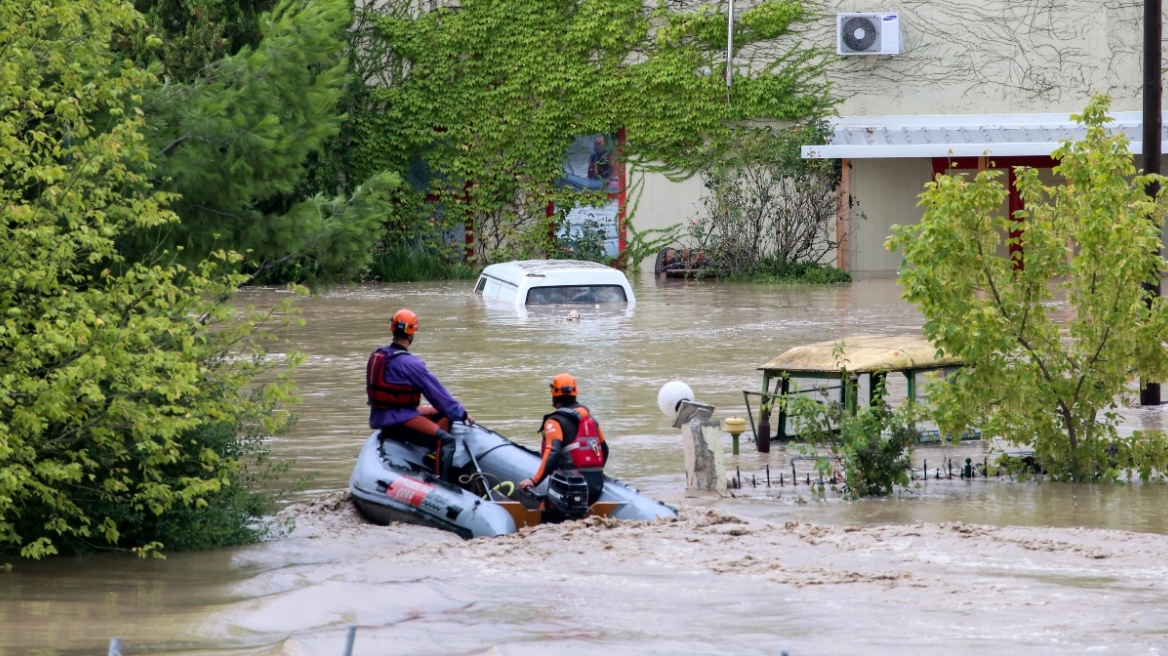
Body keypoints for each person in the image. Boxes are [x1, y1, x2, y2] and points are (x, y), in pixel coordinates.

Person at [367, 308, 473, 482]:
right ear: (412, 332)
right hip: (398, 420)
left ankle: (432, 456)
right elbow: (438, 396)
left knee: (442, 415)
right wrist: (461, 414)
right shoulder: (410, 363)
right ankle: (443, 484)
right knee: (447, 440)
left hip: (382, 417)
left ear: (392, 329)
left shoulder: (377, 355)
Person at [519, 373, 608, 507]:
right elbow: (605, 450)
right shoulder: (591, 420)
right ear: (575, 392)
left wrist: (534, 481)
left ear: (553, 393)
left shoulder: (554, 421)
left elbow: (552, 453)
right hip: (596, 485)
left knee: (544, 507)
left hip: (571, 487)